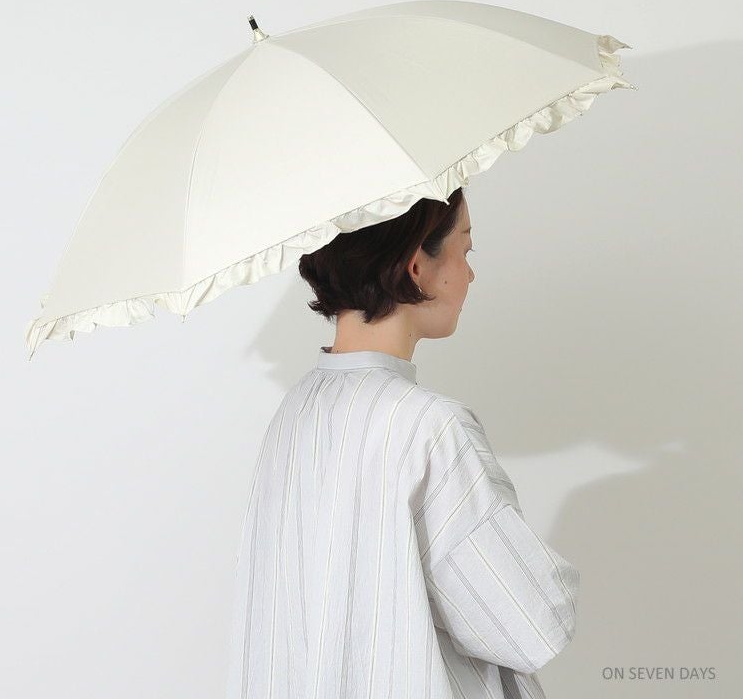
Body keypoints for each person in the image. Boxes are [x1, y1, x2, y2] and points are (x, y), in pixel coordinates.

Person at [224, 187, 579, 699]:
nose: (471, 274)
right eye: (465, 249)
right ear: (417, 267)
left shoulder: (293, 413)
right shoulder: (430, 428)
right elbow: (534, 624)